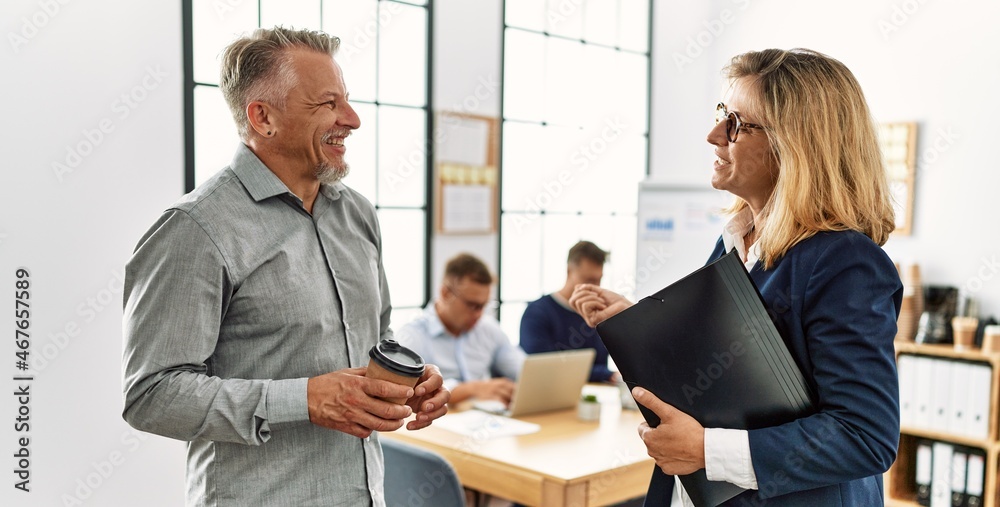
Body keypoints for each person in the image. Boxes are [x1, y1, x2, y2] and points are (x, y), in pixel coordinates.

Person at [121, 27, 449, 507]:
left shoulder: (357, 214)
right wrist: (304, 400)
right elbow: (151, 395)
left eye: (348, 101)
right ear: (263, 117)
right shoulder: (194, 228)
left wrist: (411, 379)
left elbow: (375, 339)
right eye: (327, 104)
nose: (353, 119)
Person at [571, 48, 902, 506]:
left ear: (796, 143)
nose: (713, 135)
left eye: (736, 124)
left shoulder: (845, 262)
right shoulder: (734, 241)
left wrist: (706, 450)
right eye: (719, 115)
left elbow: (864, 435)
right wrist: (640, 325)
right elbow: (722, 369)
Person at [396, 253, 525, 406]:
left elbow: (522, 369)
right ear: (445, 294)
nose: (479, 314)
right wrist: (472, 389)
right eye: (472, 305)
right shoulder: (412, 336)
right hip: (435, 423)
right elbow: (407, 392)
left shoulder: (488, 328)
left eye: (484, 306)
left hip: (487, 419)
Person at [519, 240, 619, 383]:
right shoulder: (537, 313)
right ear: (569, 271)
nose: (595, 287)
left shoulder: (600, 314)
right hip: (552, 393)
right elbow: (543, 366)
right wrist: (605, 374)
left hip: (597, 396)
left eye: (598, 280)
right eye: (588, 280)